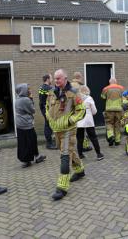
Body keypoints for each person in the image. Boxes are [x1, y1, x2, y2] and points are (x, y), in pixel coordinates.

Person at [46, 69, 86, 201]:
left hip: (69, 130)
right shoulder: (51, 92)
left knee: (64, 156)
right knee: (69, 151)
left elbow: (81, 111)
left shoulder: (74, 93)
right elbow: (47, 107)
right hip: (56, 130)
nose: (56, 81)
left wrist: (70, 120)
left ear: (65, 78)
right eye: (55, 79)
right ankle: (80, 170)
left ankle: (62, 187)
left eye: (59, 78)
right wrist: (49, 119)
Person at [16, 83, 46, 168]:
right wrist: (31, 99)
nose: (29, 90)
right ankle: (27, 160)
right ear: (23, 90)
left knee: (23, 142)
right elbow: (32, 110)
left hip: (19, 124)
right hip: (26, 124)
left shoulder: (17, 99)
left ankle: (35, 156)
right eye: (28, 89)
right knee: (30, 140)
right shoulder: (26, 99)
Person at [76, 85, 104, 161]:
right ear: (87, 91)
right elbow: (94, 111)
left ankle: (80, 154)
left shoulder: (77, 99)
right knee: (93, 137)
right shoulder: (89, 98)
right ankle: (99, 154)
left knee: (80, 138)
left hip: (79, 120)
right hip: (88, 120)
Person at [70, 71, 92, 152]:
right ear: (79, 77)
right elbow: (86, 96)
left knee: (74, 129)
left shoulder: (69, 86)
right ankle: (84, 146)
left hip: (72, 110)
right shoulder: (82, 86)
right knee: (83, 129)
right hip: (80, 110)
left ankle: (73, 146)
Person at [101, 77, 124, 146]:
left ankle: (111, 136)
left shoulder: (106, 88)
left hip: (109, 109)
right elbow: (124, 97)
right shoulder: (121, 88)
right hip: (119, 109)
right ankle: (117, 140)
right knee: (117, 124)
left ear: (109, 82)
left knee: (109, 123)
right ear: (116, 82)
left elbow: (103, 97)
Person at [38, 74, 56, 149]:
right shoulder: (49, 88)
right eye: (51, 78)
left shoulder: (41, 87)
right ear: (48, 79)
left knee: (47, 124)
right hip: (47, 109)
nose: (52, 80)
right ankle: (49, 144)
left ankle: (49, 141)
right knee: (48, 125)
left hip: (43, 107)